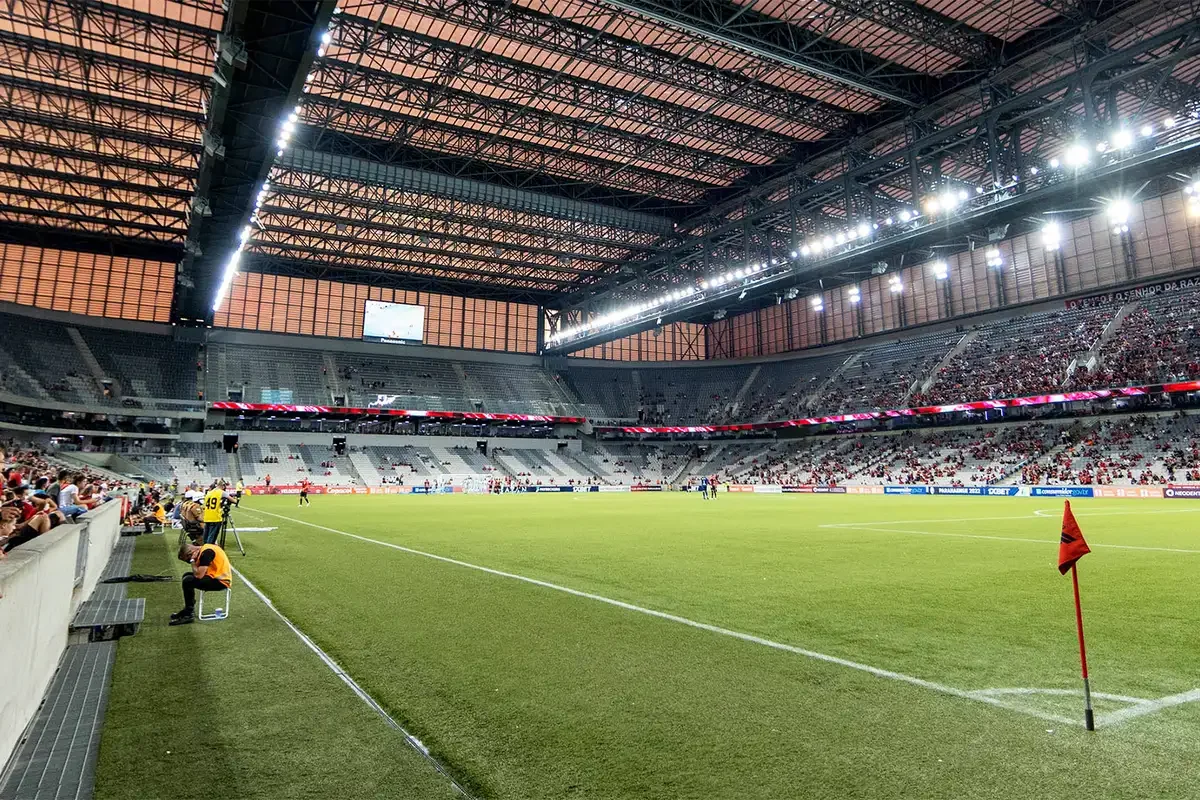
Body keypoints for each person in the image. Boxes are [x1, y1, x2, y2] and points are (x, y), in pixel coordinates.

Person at [170, 541, 231, 626]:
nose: (188, 561)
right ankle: (189, 607)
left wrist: (192, 561)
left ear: (191, 553)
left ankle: (189, 613)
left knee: (188, 581)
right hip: (215, 577)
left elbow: (198, 576)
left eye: (187, 559)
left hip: (221, 581)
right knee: (186, 576)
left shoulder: (206, 553)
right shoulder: (204, 549)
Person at [201, 481, 228, 545]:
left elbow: (204, 506)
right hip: (215, 517)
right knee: (212, 536)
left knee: (206, 534)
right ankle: (208, 549)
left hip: (207, 516)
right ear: (222, 486)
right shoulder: (221, 492)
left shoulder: (209, 493)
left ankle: (205, 547)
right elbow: (232, 499)